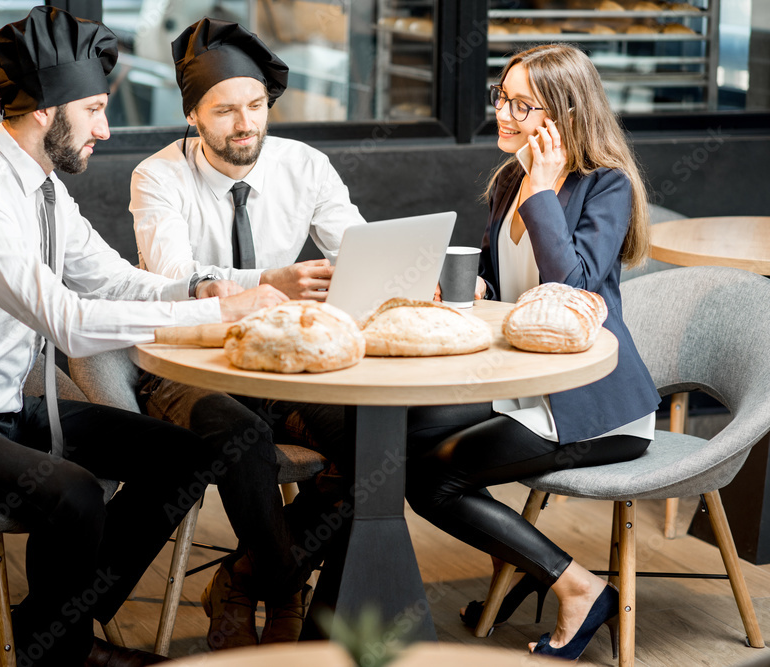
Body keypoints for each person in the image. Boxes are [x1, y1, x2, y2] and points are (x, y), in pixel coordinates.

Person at [0, 8, 285, 667]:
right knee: (75, 492)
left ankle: (41, 634)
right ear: (44, 111)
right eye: (93, 109)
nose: (105, 129)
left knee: (188, 454)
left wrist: (199, 291)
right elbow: (68, 319)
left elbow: (109, 278)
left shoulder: (44, 188)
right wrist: (217, 320)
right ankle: (61, 650)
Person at [404, 43, 660, 660]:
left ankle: (576, 587)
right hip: (521, 384)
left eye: (524, 105)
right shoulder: (510, 179)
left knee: (432, 479)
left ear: (565, 115)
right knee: (404, 435)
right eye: (503, 97)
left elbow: (570, 290)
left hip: (594, 407)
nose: (505, 113)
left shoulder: (605, 187)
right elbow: (505, 281)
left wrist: (543, 190)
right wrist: (471, 289)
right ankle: (528, 564)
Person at [128, 17, 366, 648]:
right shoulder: (158, 177)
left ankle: (243, 576)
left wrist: (400, 274)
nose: (246, 124)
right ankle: (287, 587)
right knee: (243, 437)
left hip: (279, 362)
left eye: (257, 106)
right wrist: (270, 280)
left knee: (377, 445)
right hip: (189, 362)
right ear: (193, 118)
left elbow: (359, 250)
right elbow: (173, 275)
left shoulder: (305, 165)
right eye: (226, 110)